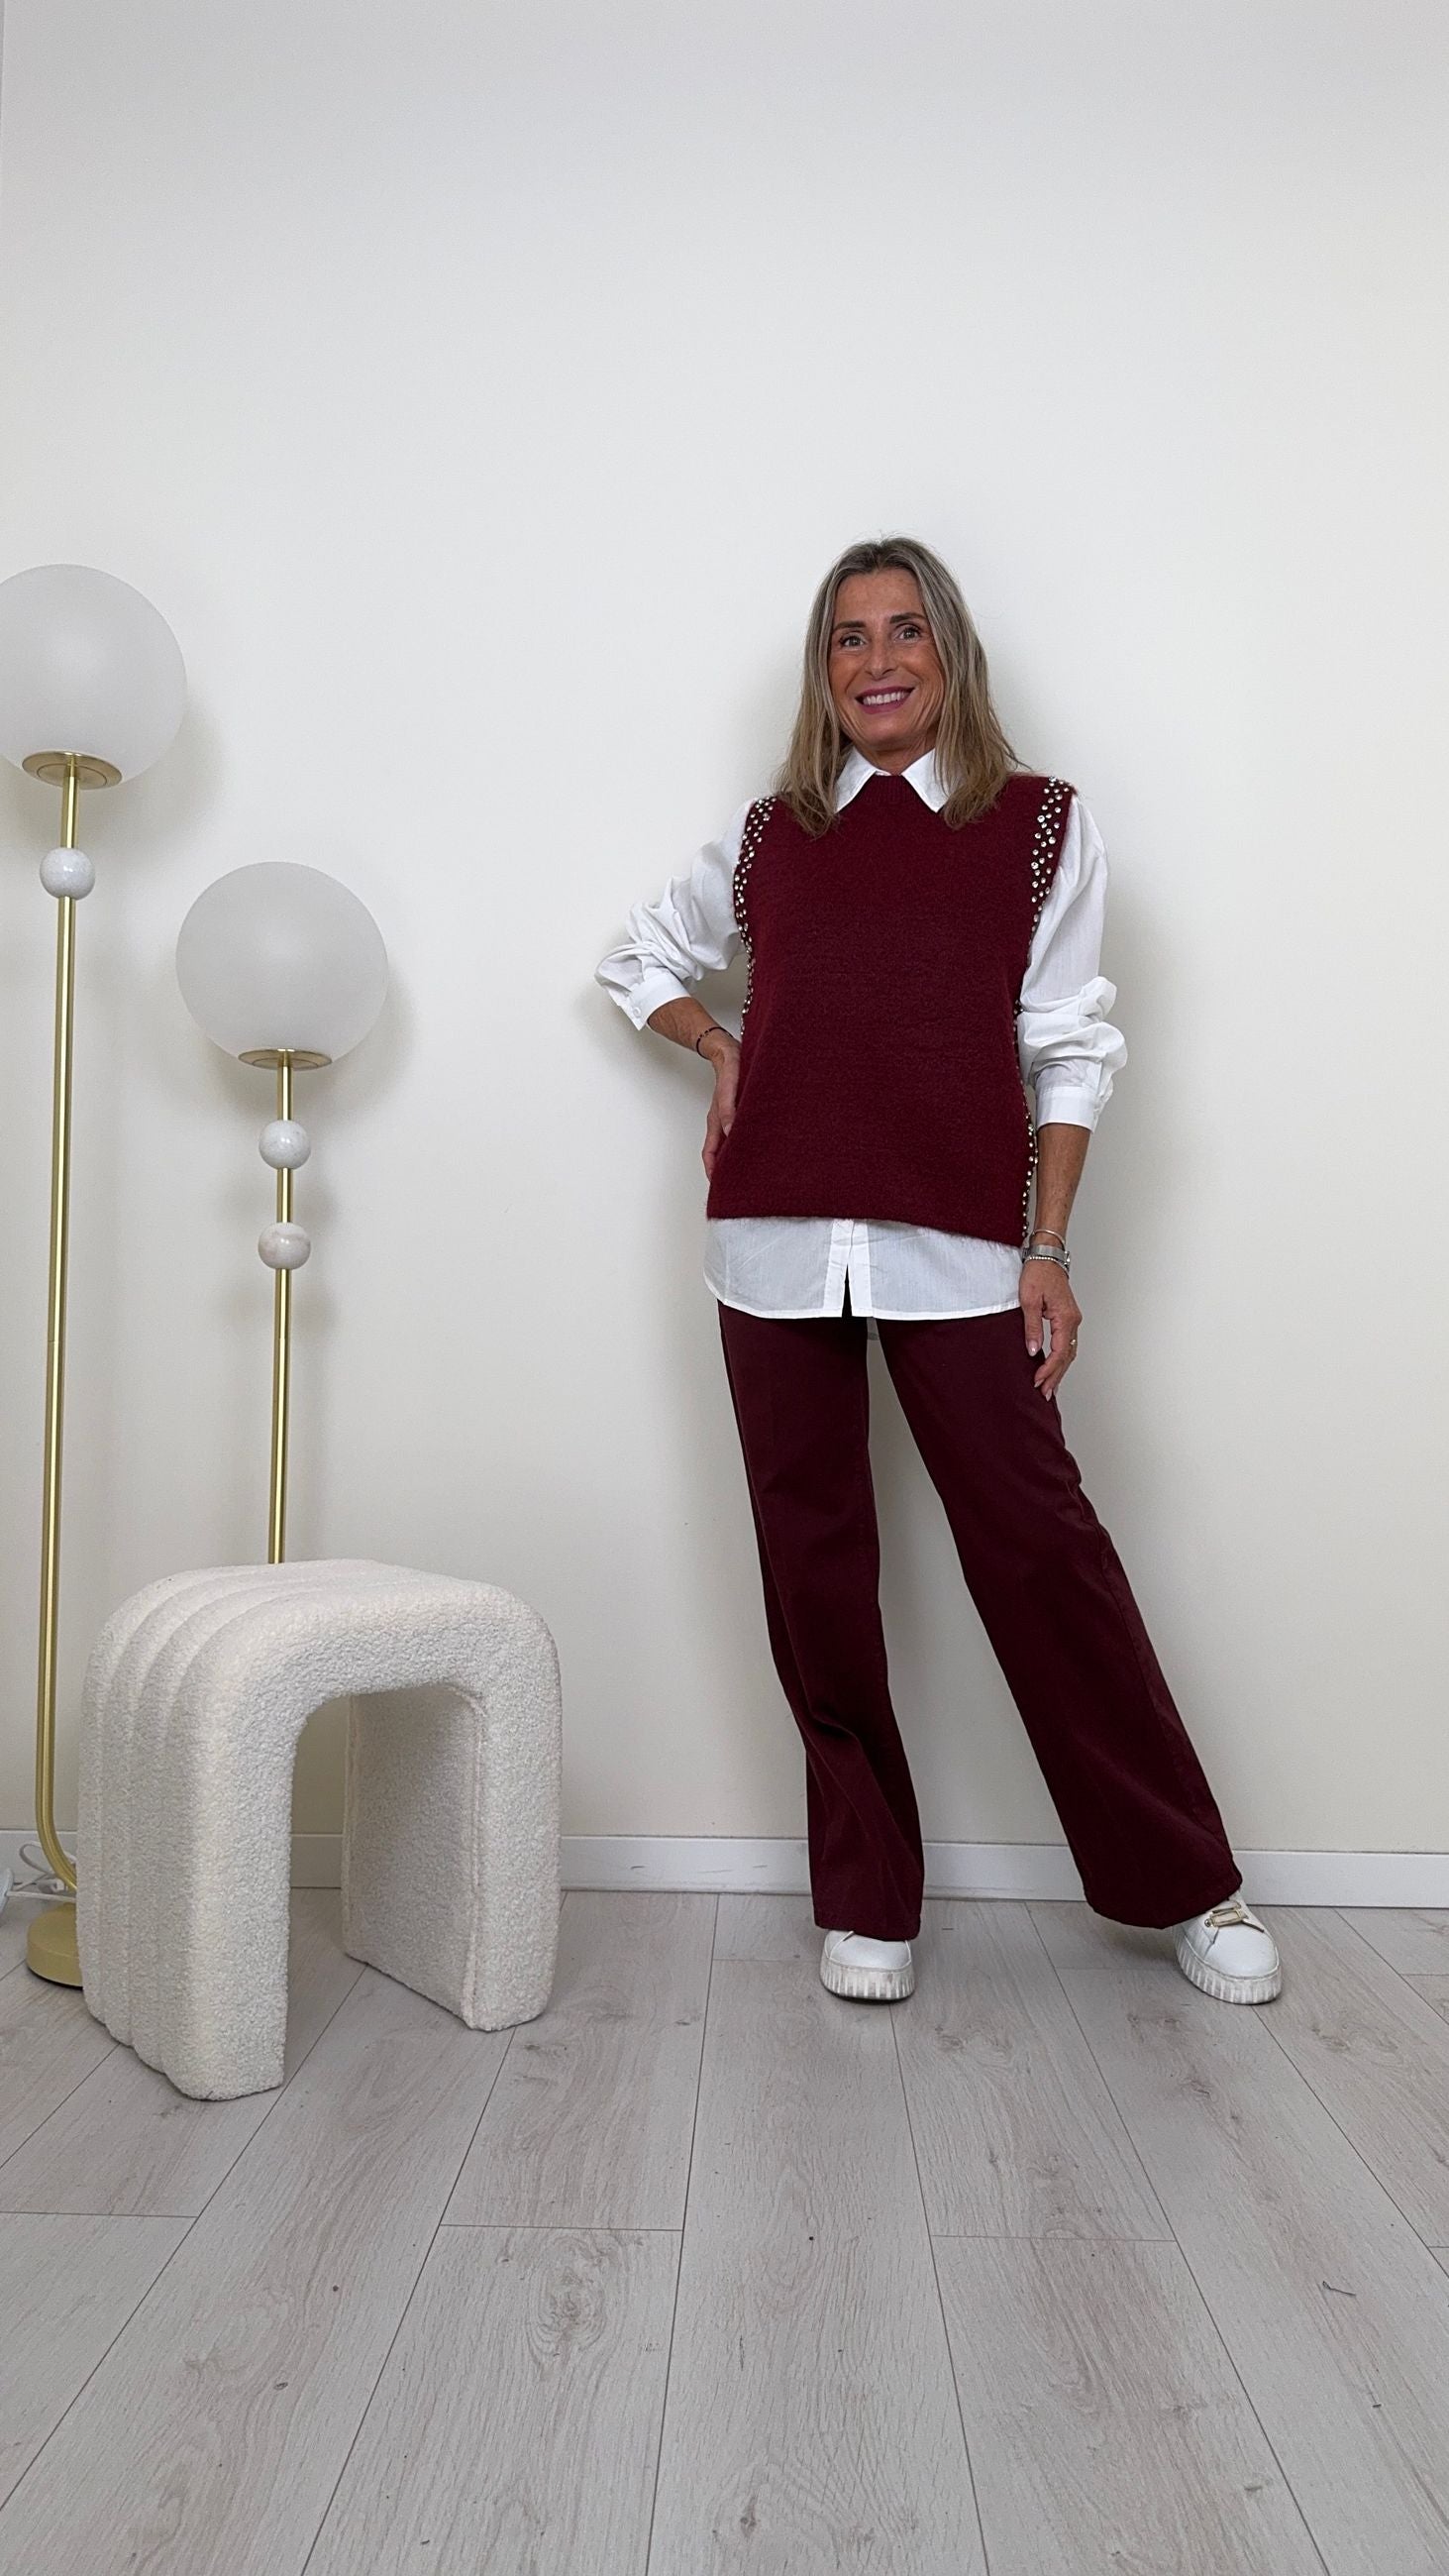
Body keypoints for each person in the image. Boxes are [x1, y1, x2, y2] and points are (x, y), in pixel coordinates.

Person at [594, 534, 1281, 2010]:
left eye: (904, 630)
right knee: (814, 1572)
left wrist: (1049, 1245)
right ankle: (868, 1897)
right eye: (848, 639)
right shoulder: (771, 836)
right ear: (822, 672)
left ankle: (1184, 1882)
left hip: (961, 1246)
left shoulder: (1037, 828)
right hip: (772, 1245)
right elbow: (636, 958)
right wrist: (721, 1045)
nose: (878, 661)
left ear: (950, 653)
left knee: (1042, 1554)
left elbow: (1070, 1046)